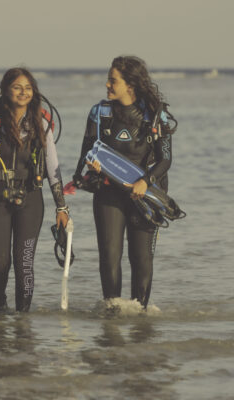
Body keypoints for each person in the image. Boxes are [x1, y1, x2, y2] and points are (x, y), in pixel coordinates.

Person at [0, 67, 69, 312]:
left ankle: (23, 318)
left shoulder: (42, 123)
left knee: (24, 263)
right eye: (17, 87)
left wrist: (61, 207)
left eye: (28, 88)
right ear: (5, 91)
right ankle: (0, 310)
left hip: (31, 200)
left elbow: (53, 167)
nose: (23, 92)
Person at [72, 56, 178, 308]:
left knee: (141, 259)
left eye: (113, 80)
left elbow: (166, 159)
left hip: (145, 196)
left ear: (130, 84)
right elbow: (86, 151)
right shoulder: (99, 113)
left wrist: (146, 181)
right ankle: (113, 314)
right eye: (108, 79)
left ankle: (140, 316)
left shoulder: (155, 115)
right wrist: (88, 170)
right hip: (108, 194)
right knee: (109, 257)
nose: (107, 84)